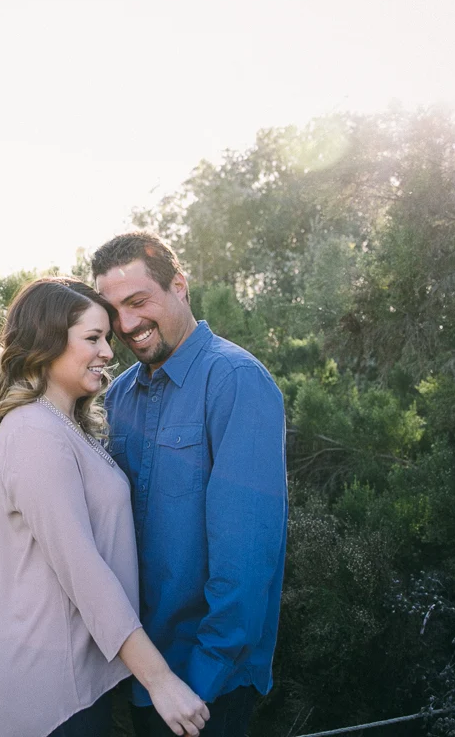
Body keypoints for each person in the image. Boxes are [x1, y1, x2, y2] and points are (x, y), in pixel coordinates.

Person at [0, 277, 211, 737]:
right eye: (92, 338)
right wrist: (160, 682)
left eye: (107, 338)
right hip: (51, 690)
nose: (107, 351)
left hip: (81, 673)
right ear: (47, 342)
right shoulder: (34, 432)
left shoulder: (63, 427)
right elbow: (84, 571)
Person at [91, 233, 288, 737]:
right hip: (143, 676)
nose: (127, 324)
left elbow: (245, 559)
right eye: (113, 312)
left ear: (179, 285)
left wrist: (198, 682)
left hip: (207, 685)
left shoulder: (236, 380)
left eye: (138, 302)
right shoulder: (117, 397)